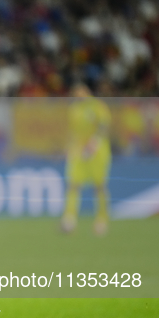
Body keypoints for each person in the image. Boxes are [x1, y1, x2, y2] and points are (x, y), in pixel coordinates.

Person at [61, 83, 112, 236]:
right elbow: (73, 131)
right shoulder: (74, 109)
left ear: (87, 91)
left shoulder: (97, 106)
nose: (78, 95)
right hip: (79, 151)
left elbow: (104, 125)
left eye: (80, 92)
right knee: (73, 184)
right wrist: (69, 147)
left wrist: (94, 142)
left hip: (97, 151)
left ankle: (101, 221)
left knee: (99, 186)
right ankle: (69, 220)